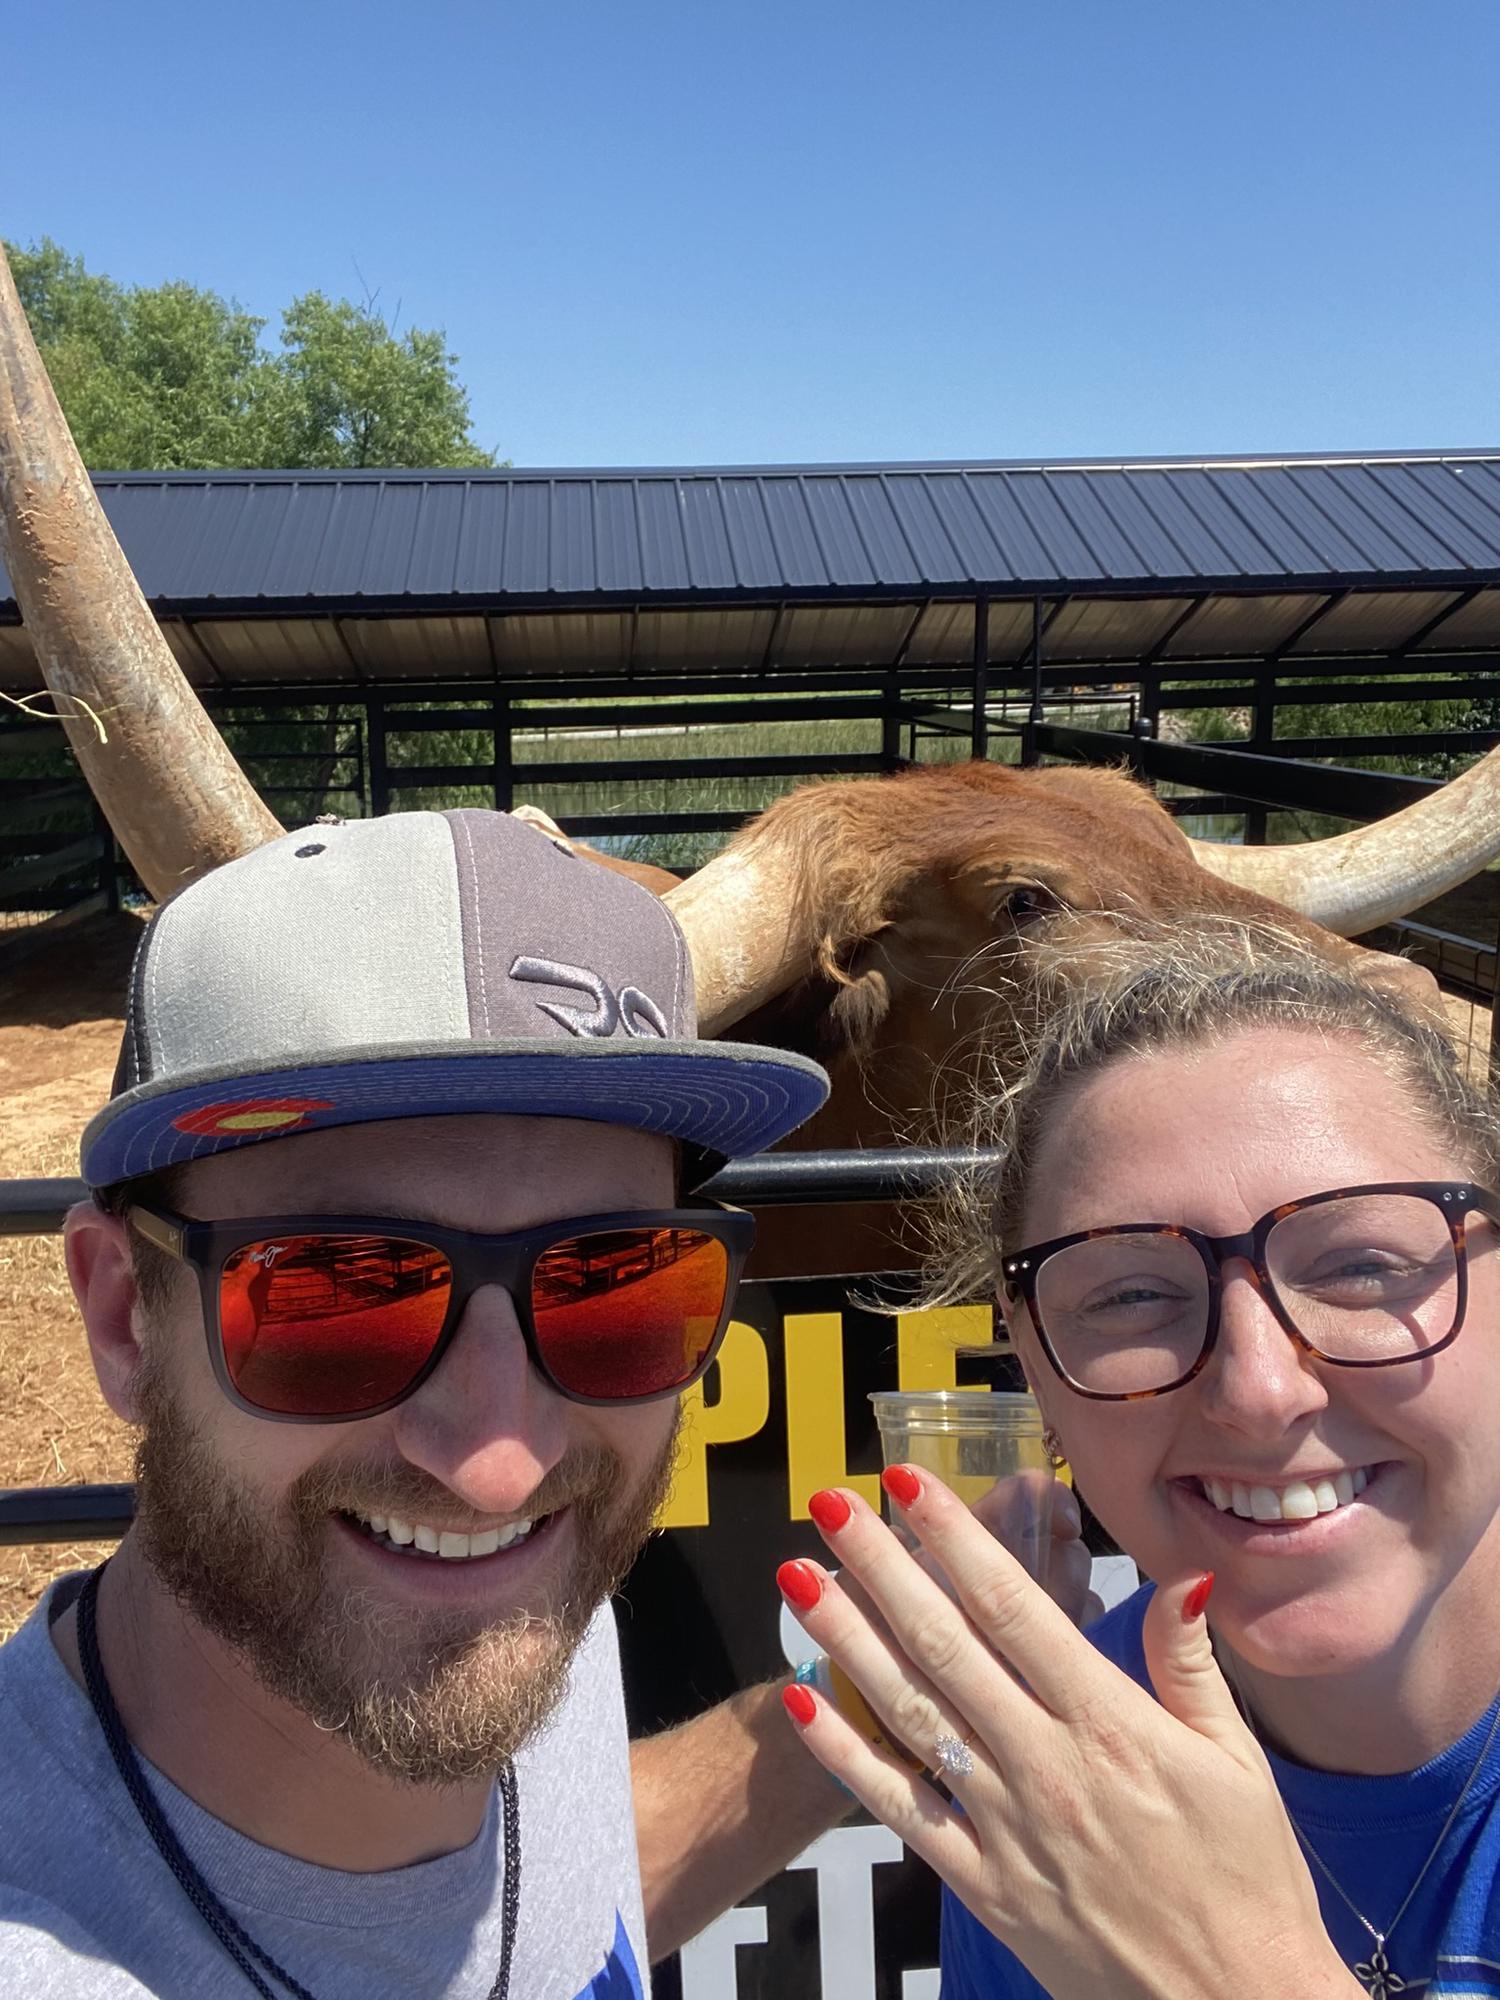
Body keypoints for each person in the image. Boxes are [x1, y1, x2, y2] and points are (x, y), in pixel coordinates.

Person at [0, 805, 858, 1999]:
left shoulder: (522, 1608)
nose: (498, 1466)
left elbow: (539, 1889)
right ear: (119, 1314)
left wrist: (873, 1702)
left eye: (613, 1281)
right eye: (339, 1291)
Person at [774, 926, 1500, 1999]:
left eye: (1359, 1265)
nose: (1260, 1387)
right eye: (1130, 1293)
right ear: (1033, 1360)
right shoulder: (1055, 1770)